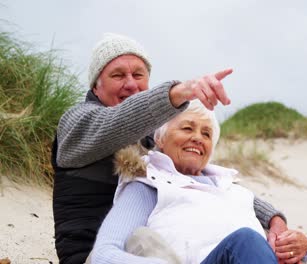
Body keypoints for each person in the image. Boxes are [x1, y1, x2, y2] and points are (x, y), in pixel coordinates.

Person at [52, 33, 291, 264]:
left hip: (154, 249)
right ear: (96, 86)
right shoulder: (77, 124)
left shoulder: (152, 140)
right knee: (144, 240)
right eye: (118, 75)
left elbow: (205, 185)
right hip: (99, 255)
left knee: (241, 242)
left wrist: (273, 219)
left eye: (138, 75)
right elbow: (116, 123)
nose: (131, 84)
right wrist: (178, 93)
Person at [90, 100, 307, 263]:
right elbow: (104, 255)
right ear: (160, 139)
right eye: (187, 128)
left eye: (206, 134)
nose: (198, 137)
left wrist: (302, 247)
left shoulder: (232, 189)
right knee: (246, 240)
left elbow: (268, 247)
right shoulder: (149, 185)